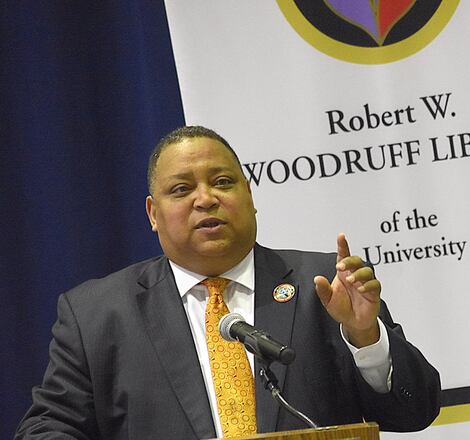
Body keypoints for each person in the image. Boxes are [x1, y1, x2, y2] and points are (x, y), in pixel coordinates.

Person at [16, 126, 441, 439]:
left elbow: (415, 411)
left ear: (251, 197)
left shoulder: (326, 287)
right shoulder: (97, 314)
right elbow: (49, 426)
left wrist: (365, 335)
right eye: (182, 189)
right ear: (152, 214)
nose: (206, 199)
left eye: (222, 182)